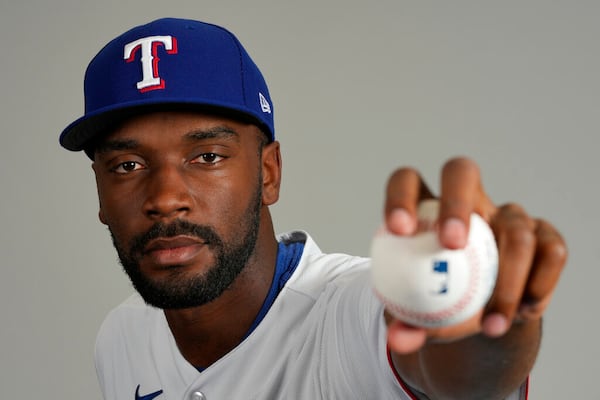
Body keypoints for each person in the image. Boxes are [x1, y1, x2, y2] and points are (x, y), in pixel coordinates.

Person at [59, 18, 566, 400]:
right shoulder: (120, 337)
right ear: (100, 192)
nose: (165, 197)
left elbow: (459, 372)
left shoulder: (352, 314)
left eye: (207, 156)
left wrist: (482, 308)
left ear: (268, 172)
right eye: (127, 165)